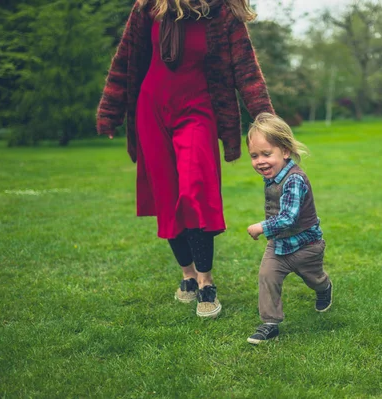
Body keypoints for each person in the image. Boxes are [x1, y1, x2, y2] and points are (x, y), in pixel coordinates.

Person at [96, 0, 274, 318]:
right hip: (151, 111)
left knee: (195, 191)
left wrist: (266, 119)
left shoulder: (221, 14)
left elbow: (246, 72)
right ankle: (187, 276)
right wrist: (110, 111)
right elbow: (126, 60)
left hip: (197, 109)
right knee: (166, 196)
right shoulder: (148, 8)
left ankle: (206, 282)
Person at [245, 113, 332, 344]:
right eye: (254, 156)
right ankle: (269, 324)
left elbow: (289, 218)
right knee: (267, 276)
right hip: (279, 244)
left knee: (314, 279)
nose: (260, 161)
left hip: (306, 246)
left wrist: (262, 226)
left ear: (284, 151)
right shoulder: (273, 177)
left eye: (266, 154)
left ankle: (324, 287)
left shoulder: (294, 180)